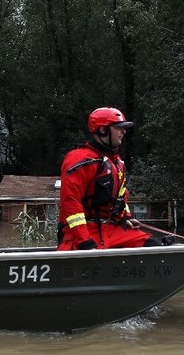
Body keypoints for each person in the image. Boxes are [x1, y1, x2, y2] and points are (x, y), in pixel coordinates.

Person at [57, 107, 160, 251]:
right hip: (80, 232)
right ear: (103, 130)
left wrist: (126, 217)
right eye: (119, 128)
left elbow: (121, 195)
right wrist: (84, 241)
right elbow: (70, 202)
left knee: (153, 245)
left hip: (110, 229)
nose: (124, 132)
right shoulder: (80, 159)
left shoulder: (117, 163)